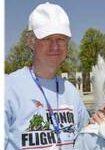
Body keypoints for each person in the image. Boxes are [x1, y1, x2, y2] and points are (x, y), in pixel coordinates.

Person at [5, 2, 89, 149]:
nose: (55, 46)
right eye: (47, 38)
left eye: (61, 39)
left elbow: (87, 141)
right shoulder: (8, 89)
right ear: (31, 41)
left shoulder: (71, 92)